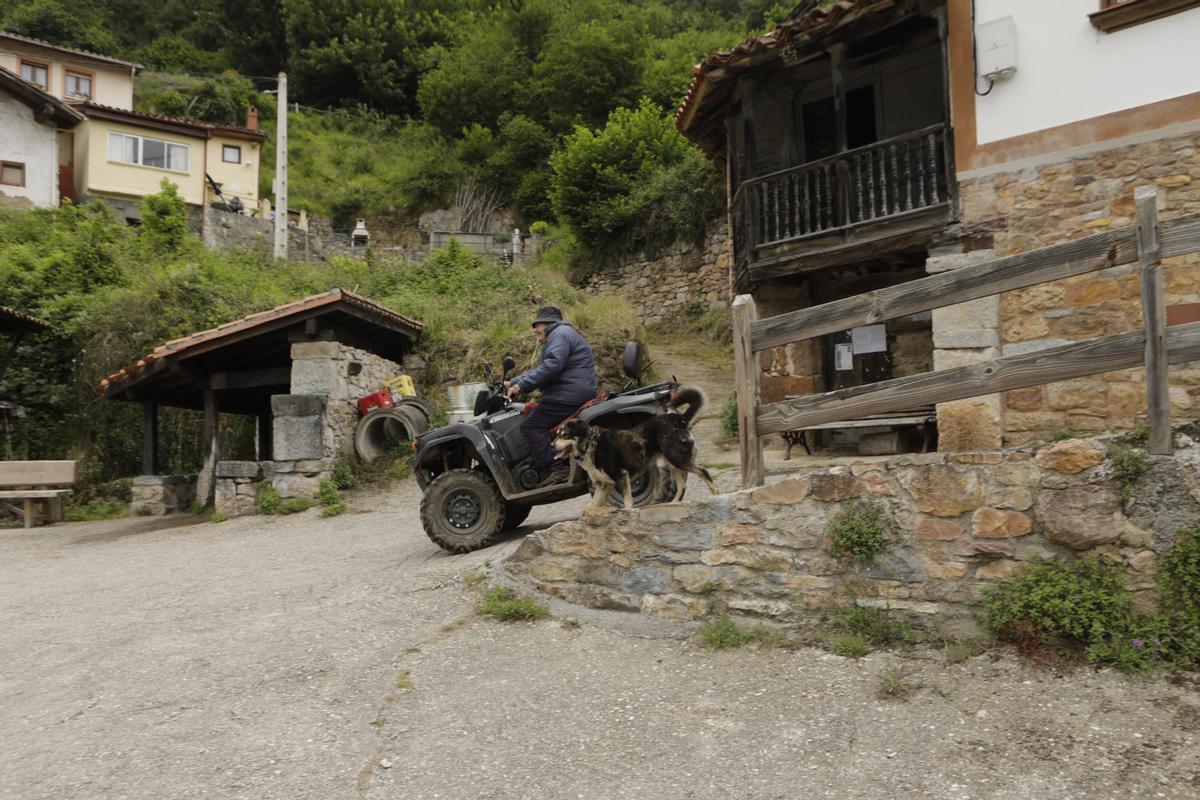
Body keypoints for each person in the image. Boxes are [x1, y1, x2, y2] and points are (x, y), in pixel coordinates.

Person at [505, 305, 597, 487]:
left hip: (568, 394)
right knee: (534, 418)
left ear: (549, 324)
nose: (535, 330)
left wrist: (521, 386)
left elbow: (552, 366)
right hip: (571, 391)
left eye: (537, 325)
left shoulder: (560, 334)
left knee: (530, 427)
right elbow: (545, 367)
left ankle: (557, 469)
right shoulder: (561, 334)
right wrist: (513, 382)